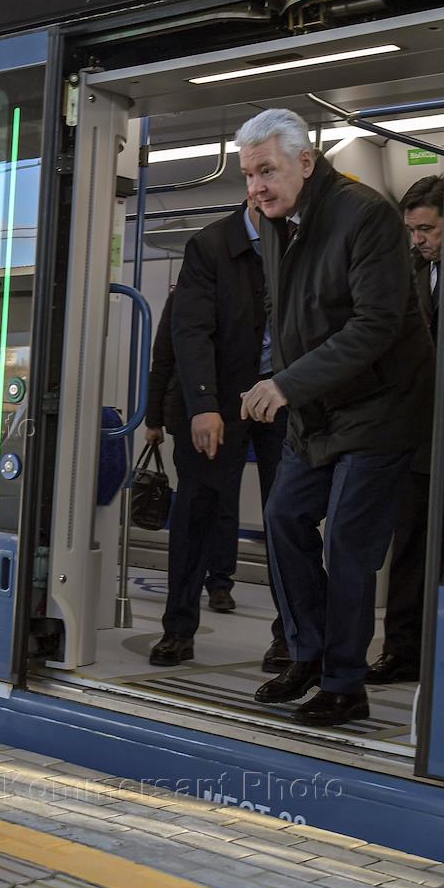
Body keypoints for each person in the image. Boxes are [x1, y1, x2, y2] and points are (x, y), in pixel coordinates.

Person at [239, 109, 433, 726]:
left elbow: (374, 325)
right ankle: (310, 653)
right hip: (318, 408)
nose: (256, 187)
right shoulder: (276, 220)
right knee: (284, 516)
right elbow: (292, 315)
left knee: (348, 543)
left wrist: (287, 383)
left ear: (305, 160)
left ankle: (346, 683)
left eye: (266, 170)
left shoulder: (367, 215)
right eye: (248, 176)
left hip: (380, 405)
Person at [147, 198, 288, 668]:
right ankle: (178, 629)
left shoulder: (302, 241)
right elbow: (186, 333)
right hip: (220, 400)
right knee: (196, 512)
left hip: (285, 395)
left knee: (289, 517)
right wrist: (203, 406)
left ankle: (290, 636)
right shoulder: (209, 246)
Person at [366, 175, 443, 684]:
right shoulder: (410, 272)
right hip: (417, 428)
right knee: (410, 540)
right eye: (413, 230)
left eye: (427, 229)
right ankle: (402, 648)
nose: (418, 239)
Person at [144, 290, 242, 619]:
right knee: (197, 500)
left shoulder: (239, 298)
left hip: (231, 412)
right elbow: (164, 359)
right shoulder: (182, 298)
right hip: (186, 414)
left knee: (225, 500)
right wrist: (153, 419)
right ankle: (202, 586)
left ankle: (220, 581)